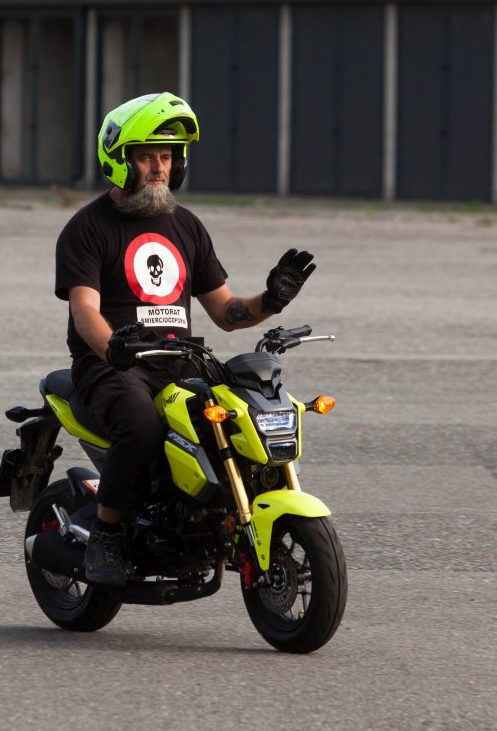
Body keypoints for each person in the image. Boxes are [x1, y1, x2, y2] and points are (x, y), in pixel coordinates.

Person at [54, 92, 316, 586]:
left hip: (181, 363)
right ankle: (107, 534)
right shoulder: (87, 228)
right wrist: (113, 347)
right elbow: (84, 309)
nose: (160, 168)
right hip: (111, 366)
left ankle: (214, 517)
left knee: (244, 410)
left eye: (168, 157)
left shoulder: (186, 225)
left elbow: (226, 311)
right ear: (119, 160)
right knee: (141, 424)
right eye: (147, 157)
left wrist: (272, 299)